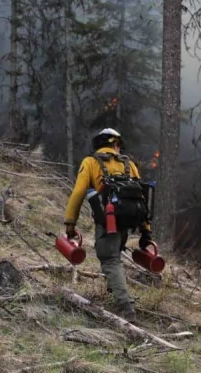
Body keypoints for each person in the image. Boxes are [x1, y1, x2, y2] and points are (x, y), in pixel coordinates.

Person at [64, 128, 152, 319]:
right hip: (128, 221)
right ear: (115, 144)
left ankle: (125, 307)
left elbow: (78, 193)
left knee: (110, 259)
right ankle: (117, 294)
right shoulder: (129, 165)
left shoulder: (90, 163)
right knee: (114, 256)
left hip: (107, 221)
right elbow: (142, 199)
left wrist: (70, 223)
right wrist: (146, 231)